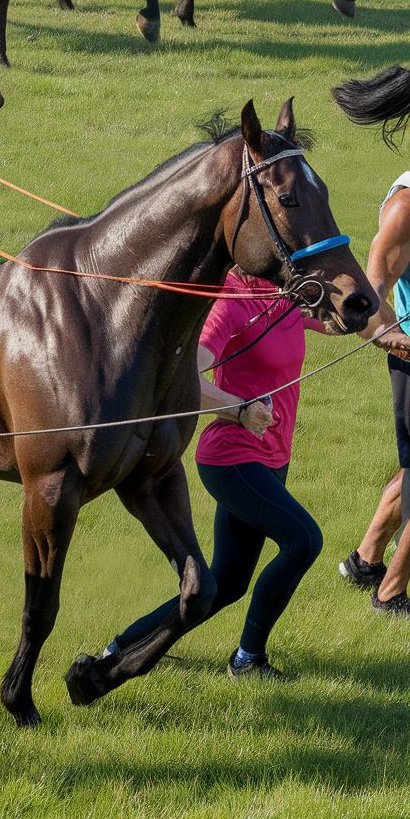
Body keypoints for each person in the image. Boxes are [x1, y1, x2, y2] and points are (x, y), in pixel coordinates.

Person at [101, 265, 324, 679]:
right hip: (233, 459)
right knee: (303, 541)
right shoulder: (231, 304)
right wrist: (238, 410)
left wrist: (386, 327)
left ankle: (122, 647)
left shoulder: (286, 294)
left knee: (225, 584)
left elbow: (347, 317)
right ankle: (248, 660)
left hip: (274, 458)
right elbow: (184, 378)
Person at [339, 170, 410, 613]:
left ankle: (366, 560)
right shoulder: (406, 206)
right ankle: (390, 593)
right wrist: (392, 336)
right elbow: (374, 286)